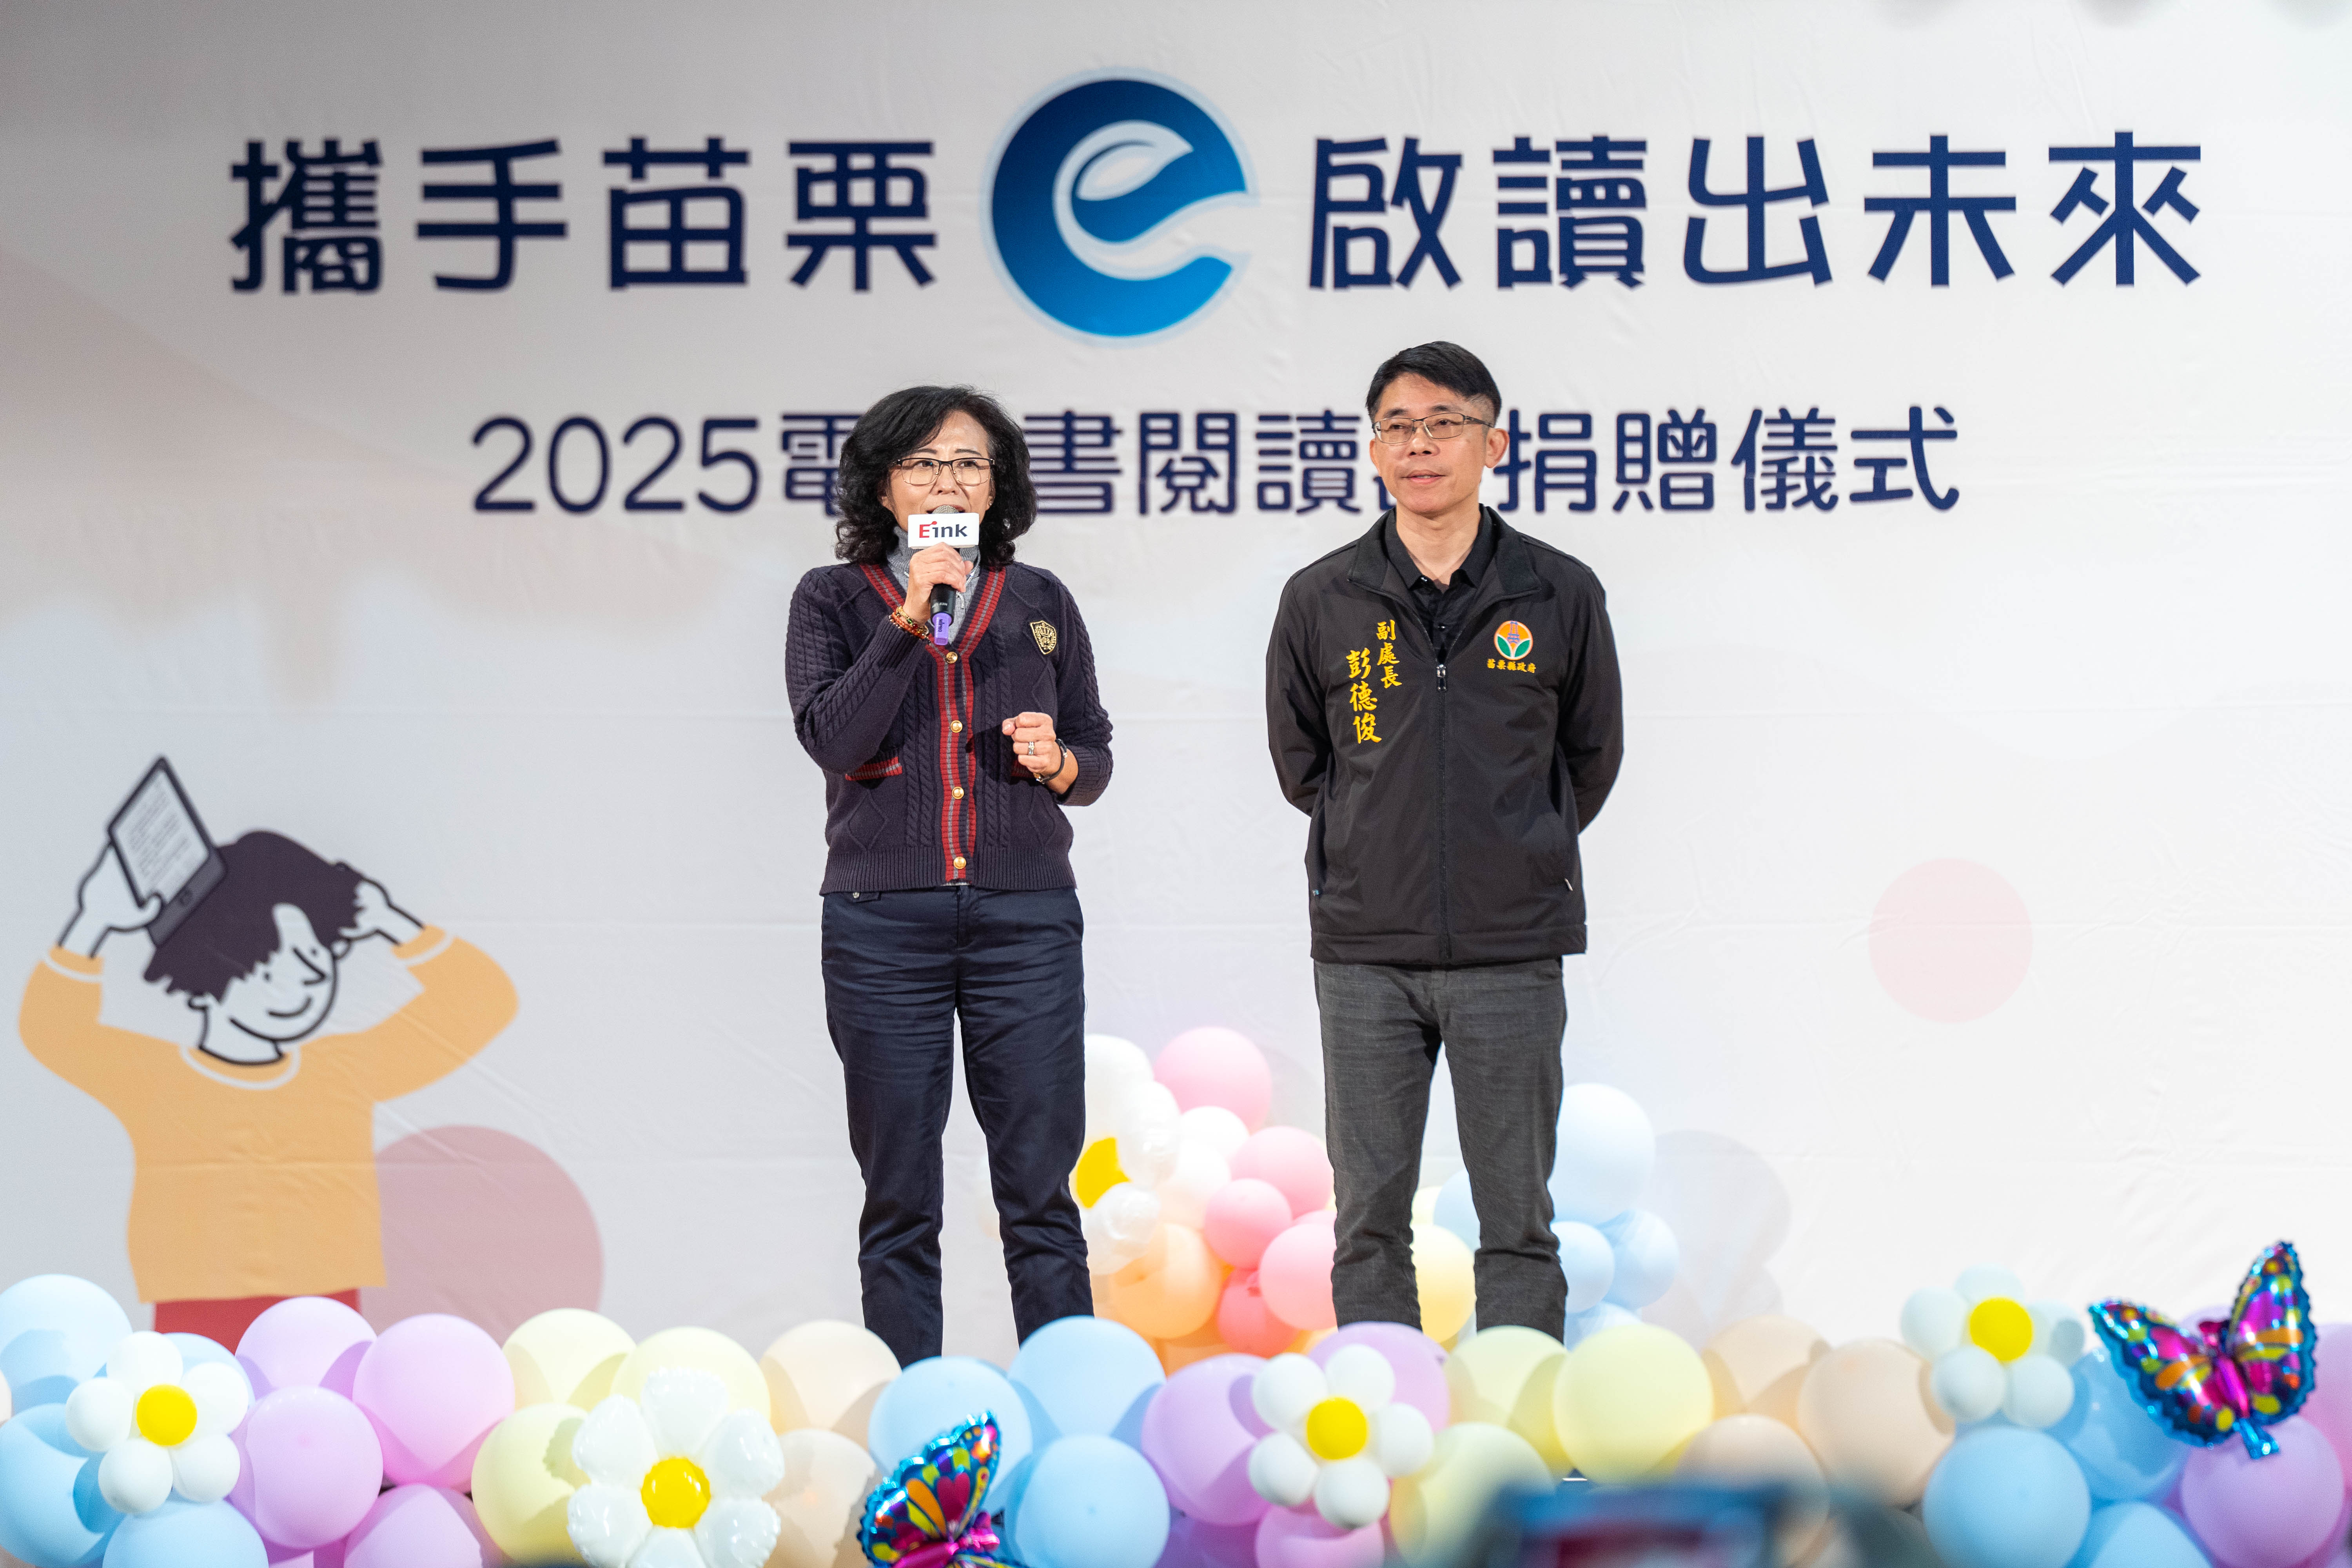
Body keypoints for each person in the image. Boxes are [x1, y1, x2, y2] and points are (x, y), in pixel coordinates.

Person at [1264, 341, 1624, 1337]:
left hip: (1512, 948)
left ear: (1492, 444)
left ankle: (1519, 1416)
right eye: (1398, 427)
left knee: (1518, 1219)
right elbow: (1303, 763)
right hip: (1366, 951)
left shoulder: (1558, 592)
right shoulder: (1322, 597)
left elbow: (1590, 757)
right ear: (1375, 450)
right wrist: (1375, 843)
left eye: (1444, 424)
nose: (1419, 446)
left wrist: (1516, 849)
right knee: (1368, 1219)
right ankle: (1386, 1408)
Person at [786, 384, 1112, 1365]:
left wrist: (1061, 760)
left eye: (969, 462)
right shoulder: (832, 598)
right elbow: (832, 738)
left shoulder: (1041, 599)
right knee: (900, 1196)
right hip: (882, 925)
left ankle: (1067, 1406)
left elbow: (1094, 752)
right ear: (884, 487)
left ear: (996, 484)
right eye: (924, 463)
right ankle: (911, 1421)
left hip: (1027, 920)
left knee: (1041, 1192)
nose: (948, 480)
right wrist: (907, 618)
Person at [19, 832, 516, 1345]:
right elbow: (52, 1029)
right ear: (206, 965)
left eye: (315, 956)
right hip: (196, 1305)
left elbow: (481, 999)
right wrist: (94, 920)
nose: (304, 980)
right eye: (271, 963)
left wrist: (390, 921)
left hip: (326, 1304)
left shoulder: (341, 1069)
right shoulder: (154, 1077)